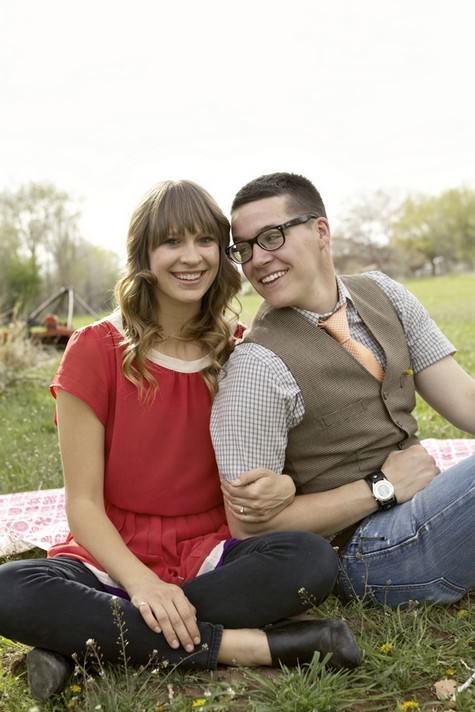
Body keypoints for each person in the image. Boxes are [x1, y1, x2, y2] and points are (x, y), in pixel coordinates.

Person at [0, 180, 361, 701]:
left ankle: (85, 641)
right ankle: (249, 646)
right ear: (144, 254)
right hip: (111, 550)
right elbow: (82, 504)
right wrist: (142, 585)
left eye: (204, 241)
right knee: (9, 589)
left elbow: (276, 467)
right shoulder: (96, 348)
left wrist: (282, 486)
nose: (190, 257)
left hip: (211, 549)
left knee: (309, 560)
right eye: (172, 242)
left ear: (222, 251)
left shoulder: (242, 352)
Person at [211, 171, 475, 609]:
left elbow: (464, 399)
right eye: (244, 248)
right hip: (365, 551)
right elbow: (250, 529)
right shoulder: (256, 366)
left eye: (272, 237)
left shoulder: (385, 293)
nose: (256, 259)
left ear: (320, 231)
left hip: (427, 505)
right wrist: (381, 487)